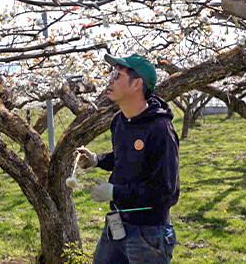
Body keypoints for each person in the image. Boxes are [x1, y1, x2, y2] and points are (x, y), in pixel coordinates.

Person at [76, 54, 179, 264]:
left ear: (137, 84)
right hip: (117, 225)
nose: (110, 79)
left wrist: (114, 192)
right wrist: (97, 160)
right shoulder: (119, 121)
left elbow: (165, 190)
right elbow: (125, 158)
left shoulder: (160, 130)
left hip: (148, 232)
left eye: (117, 74)